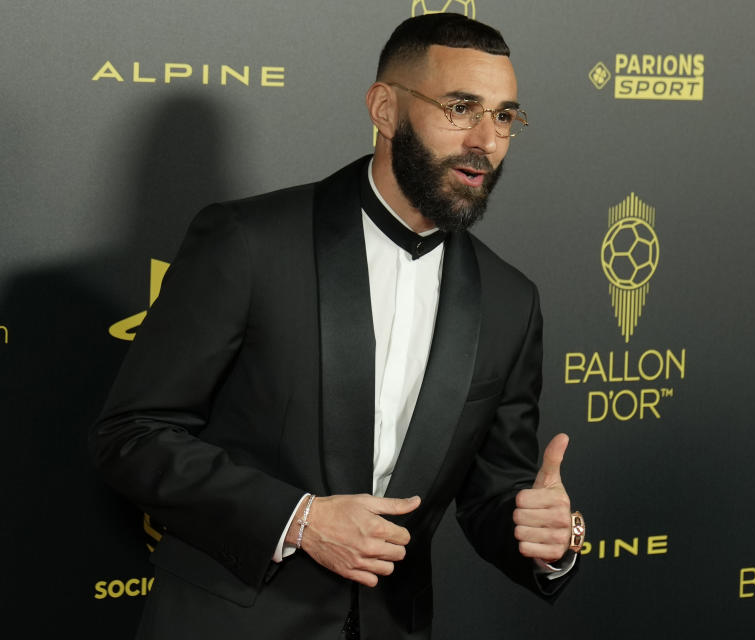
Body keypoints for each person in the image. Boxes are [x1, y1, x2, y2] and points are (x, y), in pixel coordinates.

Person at [89, 13, 583, 640]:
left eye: (505, 116)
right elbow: (131, 435)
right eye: (461, 108)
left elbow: (492, 495)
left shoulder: (511, 301)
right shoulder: (249, 243)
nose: (486, 140)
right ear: (385, 109)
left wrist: (541, 536)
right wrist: (299, 520)